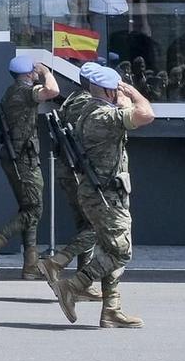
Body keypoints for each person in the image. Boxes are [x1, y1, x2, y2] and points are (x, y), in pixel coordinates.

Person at [47, 61, 154, 329]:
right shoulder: (103, 117)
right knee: (121, 252)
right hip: (105, 195)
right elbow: (146, 115)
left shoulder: (88, 109)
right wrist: (133, 93)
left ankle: (111, 310)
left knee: (109, 248)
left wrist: (119, 99)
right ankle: (73, 285)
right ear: (109, 91)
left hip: (99, 191)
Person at [0, 57, 59, 279]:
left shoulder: (13, 91)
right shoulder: (22, 91)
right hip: (23, 159)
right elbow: (52, 91)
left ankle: (30, 264)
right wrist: (46, 72)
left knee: (29, 207)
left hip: (19, 157)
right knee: (34, 210)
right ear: (29, 74)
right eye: (34, 72)